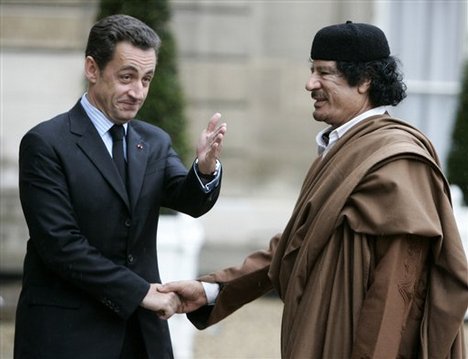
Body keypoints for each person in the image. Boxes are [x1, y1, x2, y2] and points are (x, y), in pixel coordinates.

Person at [160, 21, 468, 358]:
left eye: (324, 72)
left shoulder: (397, 163)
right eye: (311, 70)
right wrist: (212, 290)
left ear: (364, 80)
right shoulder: (344, 148)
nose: (310, 84)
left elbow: (395, 295)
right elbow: (297, 245)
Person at [14, 14, 227, 359]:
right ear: (92, 69)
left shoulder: (153, 140)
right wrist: (140, 291)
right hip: (66, 335)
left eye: (146, 79)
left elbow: (189, 200)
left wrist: (205, 167)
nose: (138, 92)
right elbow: (60, 245)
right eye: (126, 77)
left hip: (143, 335)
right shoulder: (46, 143)